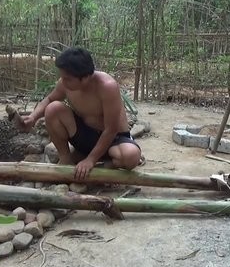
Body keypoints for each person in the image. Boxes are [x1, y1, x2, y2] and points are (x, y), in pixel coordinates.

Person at [17, 47, 143, 180]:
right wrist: (33, 117)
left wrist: (91, 160)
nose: (63, 81)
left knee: (131, 156)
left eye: (67, 79)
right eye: (62, 77)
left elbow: (111, 129)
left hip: (114, 139)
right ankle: (66, 159)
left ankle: (102, 164)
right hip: (85, 136)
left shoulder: (107, 86)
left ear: (85, 78)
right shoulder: (65, 83)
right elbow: (49, 99)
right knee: (53, 108)